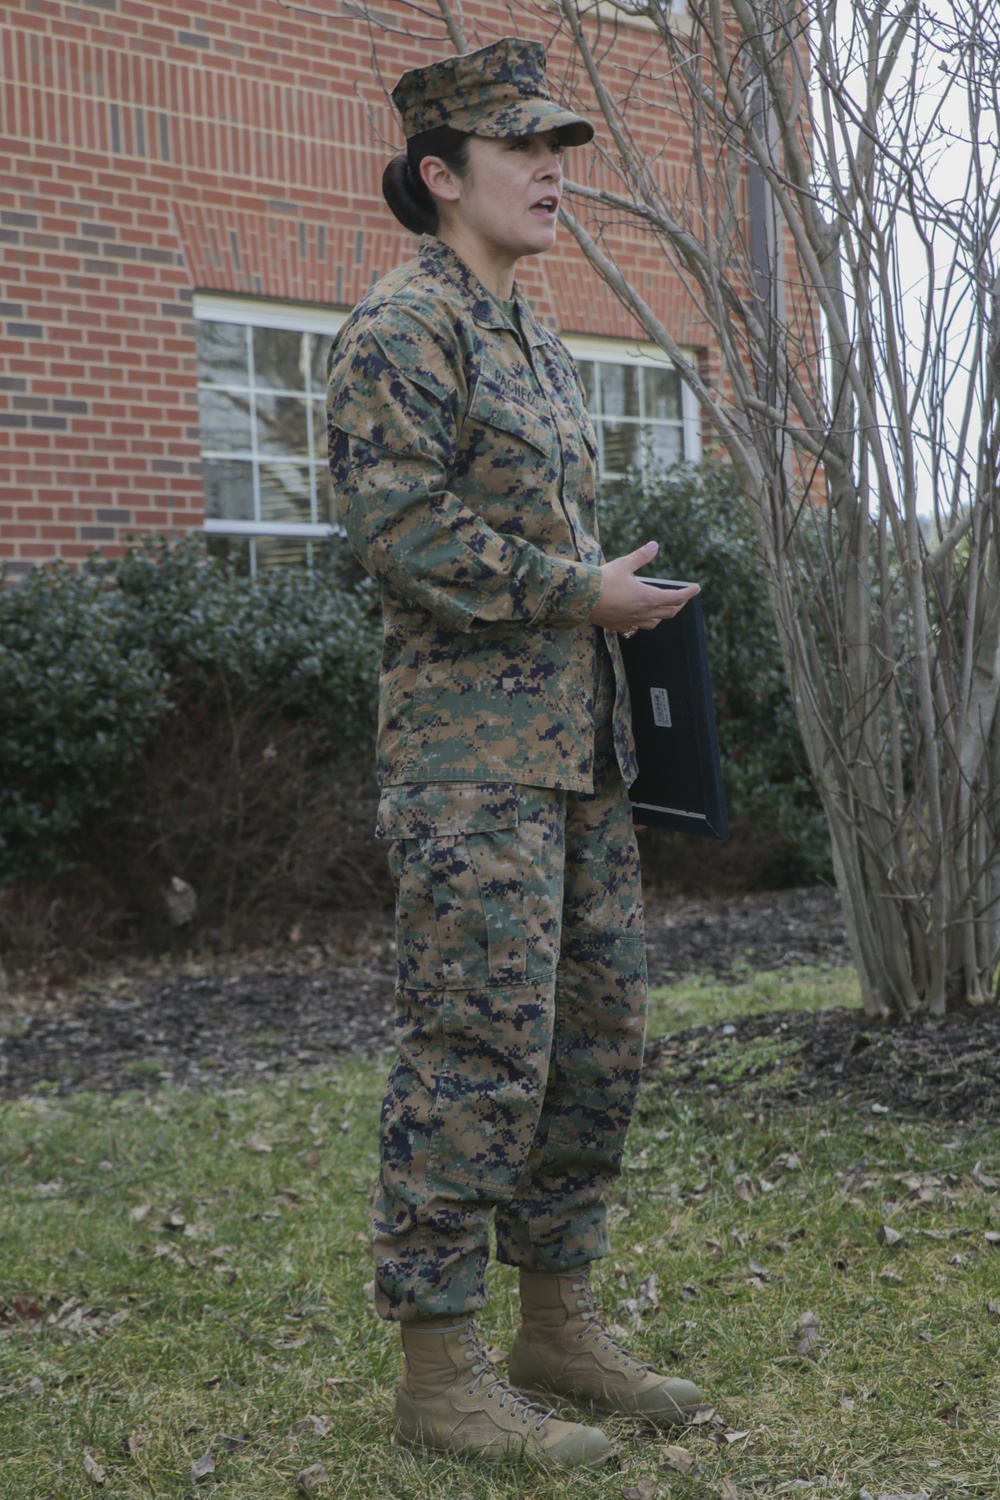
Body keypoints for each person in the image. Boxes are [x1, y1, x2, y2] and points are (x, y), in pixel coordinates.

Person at [326, 36, 703, 1469]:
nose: (554, 171)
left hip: (576, 752)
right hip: (467, 762)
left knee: (593, 1043)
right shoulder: (399, 326)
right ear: (439, 174)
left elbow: (518, 533)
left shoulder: (532, 332)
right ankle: (439, 1377)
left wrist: (603, 585)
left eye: (560, 147)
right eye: (523, 149)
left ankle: (556, 1319)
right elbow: (400, 532)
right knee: (475, 1048)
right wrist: (575, 590)